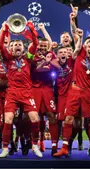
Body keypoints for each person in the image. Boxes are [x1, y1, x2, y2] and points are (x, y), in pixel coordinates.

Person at [53, 28, 90, 158]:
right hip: (74, 91)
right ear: (86, 47)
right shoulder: (80, 54)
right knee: (68, 119)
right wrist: (80, 37)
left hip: (88, 93)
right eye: (89, 47)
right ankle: (64, 147)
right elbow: (76, 46)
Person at [0, 21, 43, 158]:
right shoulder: (8, 59)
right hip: (12, 93)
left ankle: (34, 145)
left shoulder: (28, 58)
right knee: (8, 119)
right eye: (15, 45)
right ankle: (5, 147)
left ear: (23, 49)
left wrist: (33, 30)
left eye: (20, 45)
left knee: (35, 118)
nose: (17, 46)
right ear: (11, 49)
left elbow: (35, 44)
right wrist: (5, 30)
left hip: (27, 92)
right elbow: (0, 45)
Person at [31, 23, 60, 155]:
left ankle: (54, 144)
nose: (42, 47)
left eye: (45, 46)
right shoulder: (32, 57)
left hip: (48, 89)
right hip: (35, 89)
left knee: (51, 116)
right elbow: (35, 69)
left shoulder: (51, 56)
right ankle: (36, 142)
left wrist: (43, 29)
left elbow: (49, 42)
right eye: (40, 45)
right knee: (35, 118)